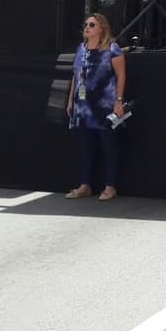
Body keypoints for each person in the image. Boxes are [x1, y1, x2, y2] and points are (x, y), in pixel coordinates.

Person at [64, 13, 126, 202]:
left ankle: (110, 186)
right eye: (86, 24)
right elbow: (76, 75)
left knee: (108, 145)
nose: (87, 27)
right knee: (86, 146)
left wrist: (118, 100)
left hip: (104, 105)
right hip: (83, 106)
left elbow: (121, 75)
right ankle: (84, 184)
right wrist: (70, 100)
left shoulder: (112, 49)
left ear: (102, 28)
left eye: (92, 24)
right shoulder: (81, 49)